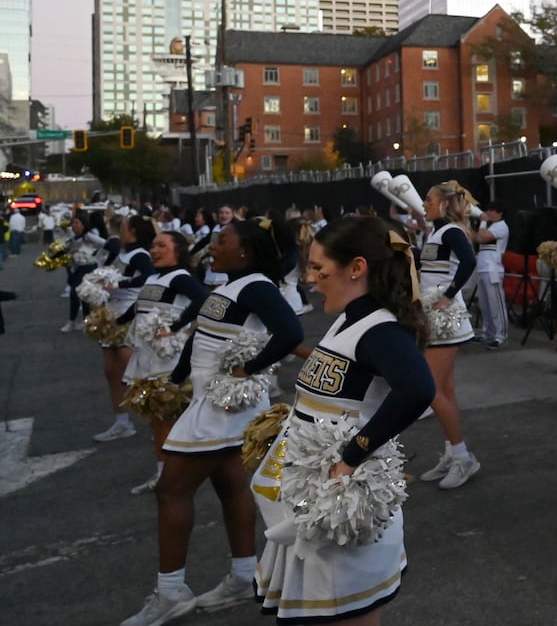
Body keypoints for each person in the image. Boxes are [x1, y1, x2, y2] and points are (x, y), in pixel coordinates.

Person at [251, 216, 435, 624]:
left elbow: (419, 390)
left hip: (342, 510)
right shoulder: (348, 318)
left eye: (320, 269)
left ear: (356, 268)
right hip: (315, 506)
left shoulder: (380, 329)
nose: (312, 280)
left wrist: (352, 455)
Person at [119, 217, 302, 626]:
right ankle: (242, 577)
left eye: (222, 240)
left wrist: (248, 370)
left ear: (245, 252)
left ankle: (170, 592)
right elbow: (202, 336)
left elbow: (290, 332)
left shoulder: (257, 286)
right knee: (231, 487)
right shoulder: (229, 286)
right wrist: (178, 378)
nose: (213, 247)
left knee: (171, 489)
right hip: (210, 402)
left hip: (222, 408)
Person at [123, 231, 206, 494]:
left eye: (162, 245)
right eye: (152, 245)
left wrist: (176, 325)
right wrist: (114, 321)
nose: (154, 250)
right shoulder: (153, 277)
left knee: (168, 418)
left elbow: (203, 299)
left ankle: (174, 476)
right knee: (157, 420)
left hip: (168, 361)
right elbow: (139, 307)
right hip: (148, 358)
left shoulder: (179, 277)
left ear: (177, 251)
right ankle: (163, 473)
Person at [414, 180, 482, 490]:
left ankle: (463, 457)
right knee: (446, 390)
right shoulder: (435, 232)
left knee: (429, 389)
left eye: (428, 199)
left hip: (446, 320)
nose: (424, 203)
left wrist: (448, 295)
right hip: (435, 317)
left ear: (443, 203)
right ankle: (452, 453)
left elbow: (469, 262)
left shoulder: (452, 231)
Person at [95, 215, 158, 443]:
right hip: (111, 316)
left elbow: (149, 279)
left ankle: (159, 424)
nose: (119, 230)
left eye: (122, 227)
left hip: (129, 316)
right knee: (112, 372)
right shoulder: (121, 252)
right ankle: (122, 423)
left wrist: (119, 284)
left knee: (134, 374)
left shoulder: (140, 255)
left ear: (132, 231)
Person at [473, 202, 510, 349]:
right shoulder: (489, 226)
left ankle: (500, 336)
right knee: (484, 304)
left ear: (500, 213)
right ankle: (487, 333)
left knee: (496, 304)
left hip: (493, 269)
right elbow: (476, 238)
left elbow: (482, 238)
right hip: (482, 268)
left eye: (493, 210)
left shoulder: (502, 226)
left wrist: (482, 221)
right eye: (488, 210)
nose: (489, 213)